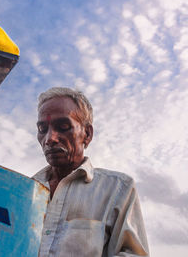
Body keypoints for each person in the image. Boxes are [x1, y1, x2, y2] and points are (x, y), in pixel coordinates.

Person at [33, 87, 149, 256]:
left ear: (87, 134)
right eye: (43, 129)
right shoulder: (25, 190)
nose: (50, 138)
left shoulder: (118, 189)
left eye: (63, 126)